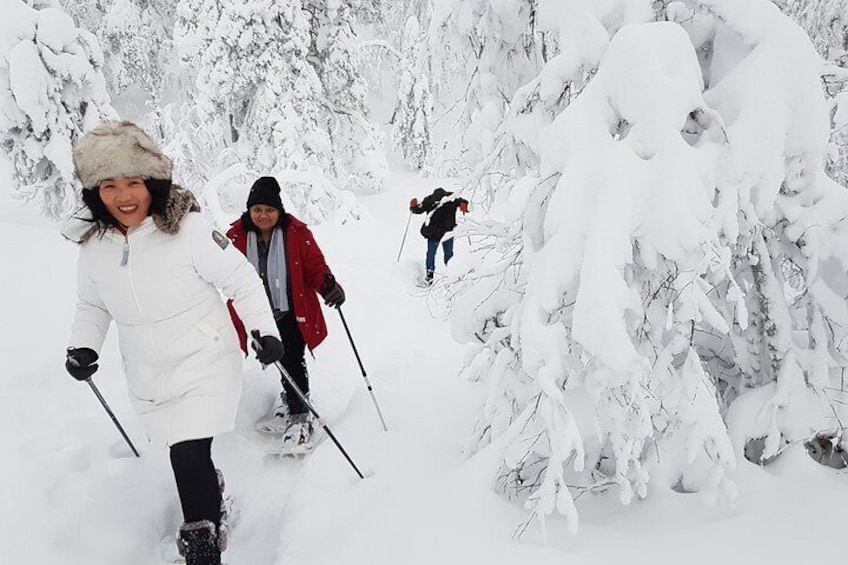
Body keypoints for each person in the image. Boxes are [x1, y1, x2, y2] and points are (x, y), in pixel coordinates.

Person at [62, 121, 284, 565]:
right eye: (109, 185)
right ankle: (210, 490)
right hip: (148, 370)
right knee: (183, 450)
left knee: (186, 451)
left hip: (204, 361)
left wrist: (265, 330)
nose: (124, 196)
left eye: (134, 182)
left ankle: (202, 542)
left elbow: (241, 278)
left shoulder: (189, 230)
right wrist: (83, 346)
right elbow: (91, 304)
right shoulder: (95, 246)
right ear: (94, 192)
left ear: (153, 183)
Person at [225, 176, 345, 450]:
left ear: (278, 210)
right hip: (255, 313)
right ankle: (289, 396)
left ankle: (300, 414)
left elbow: (315, 267)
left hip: (291, 310)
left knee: (291, 357)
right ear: (249, 210)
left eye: (269, 209)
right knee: (275, 357)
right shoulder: (235, 236)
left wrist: (329, 287)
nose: (263, 215)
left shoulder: (297, 233)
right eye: (257, 210)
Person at [409, 187, 469, 284]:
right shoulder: (447, 199)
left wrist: (413, 206)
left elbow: (418, 210)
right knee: (448, 255)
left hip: (437, 233)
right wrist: (464, 206)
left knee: (431, 254)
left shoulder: (436, 199)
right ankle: (450, 276)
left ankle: (431, 276)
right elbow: (464, 202)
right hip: (444, 233)